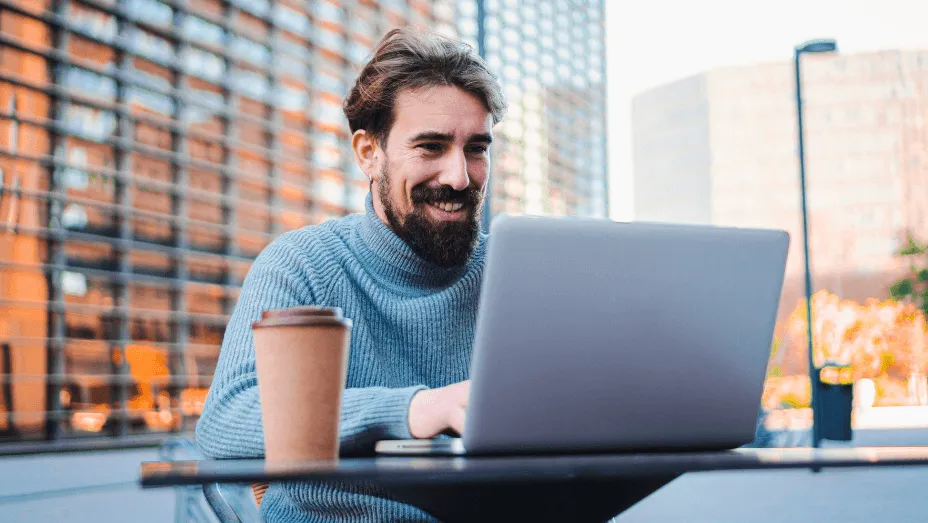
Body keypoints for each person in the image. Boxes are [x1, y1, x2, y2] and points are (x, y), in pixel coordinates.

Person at [195, 27, 508, 522]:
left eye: (476, 148)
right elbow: (226, 421)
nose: (459, 177)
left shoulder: (514, 278)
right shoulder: (302, 265)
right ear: (368, 153)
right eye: (430, 147)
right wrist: (415, 410)